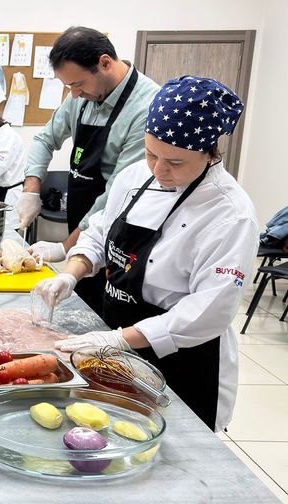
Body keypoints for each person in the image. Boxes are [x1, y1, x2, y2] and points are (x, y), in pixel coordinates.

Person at [35, 76, 257, 432]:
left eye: (175, 162)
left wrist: (118, 338)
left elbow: (208, 312)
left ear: (210, 152)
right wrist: (71, 272)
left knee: (171, 444)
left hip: (182, 357)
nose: (158, 170)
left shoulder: (229, 214)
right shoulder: (135, 176)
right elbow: (100, 233)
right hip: (117, 341)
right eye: (151, 153)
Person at [17, 26, 160, 313]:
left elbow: (117, 193)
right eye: (69, 86)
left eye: (78, 84)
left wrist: (65, 247)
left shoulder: (146, 106)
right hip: (81, 217)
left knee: (103, 308)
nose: (74, 94)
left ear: (104, 63)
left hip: (118, 228)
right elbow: (45, 139)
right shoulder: (81, 97)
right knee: (77, 297)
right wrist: (31, 189)